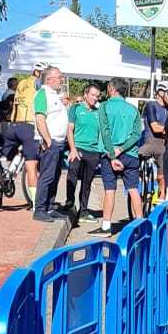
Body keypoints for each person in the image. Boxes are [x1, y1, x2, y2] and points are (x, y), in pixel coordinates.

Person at [97, 78, 144, 232]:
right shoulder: (133, 110)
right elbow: (137, 134)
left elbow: (105, 132)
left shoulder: (104, 107)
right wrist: (123, 148)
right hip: (130, 154)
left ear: (111, 88)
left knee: (110, 189)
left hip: (109, 154)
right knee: (133, 189)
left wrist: (112, 153)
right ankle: (140, 225)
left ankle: (106, 226)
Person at [32, 65, 69, 222]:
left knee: (55, 175)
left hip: (59, 141)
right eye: (59, 77)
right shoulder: (43, 94)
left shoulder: (55, 95)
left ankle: (50, 206)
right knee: (47, 176)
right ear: (49, 79)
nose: (61, 80)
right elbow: (40, 119)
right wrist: (48, 140)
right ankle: (39, 209)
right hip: (51, 141)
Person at [65, 82, 103, 228]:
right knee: (72, 173)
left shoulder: (98, 112)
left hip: (93, 152)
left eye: (97, 96)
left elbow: (102, 133)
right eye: (93, 95)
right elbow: (70, 130)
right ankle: (69, 203)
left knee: (87, 183)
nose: (95, 98)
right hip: (78, 148)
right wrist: (73, 149)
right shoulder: (76, 108)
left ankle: (84, 210)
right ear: (86, 94)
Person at [6, 73, 40, 197]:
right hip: (28, 125)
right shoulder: (38, 85)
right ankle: (36, 204)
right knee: (31, 165)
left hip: (13, 125)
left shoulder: (21, 84)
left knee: (6, 163)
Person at [139, 81, 168, 185]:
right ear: (160, 92)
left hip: (165, 143)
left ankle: (162, 196)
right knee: (132, 157)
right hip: (151, 141)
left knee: (163, 177)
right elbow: (155, 128)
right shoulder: (151, 105)